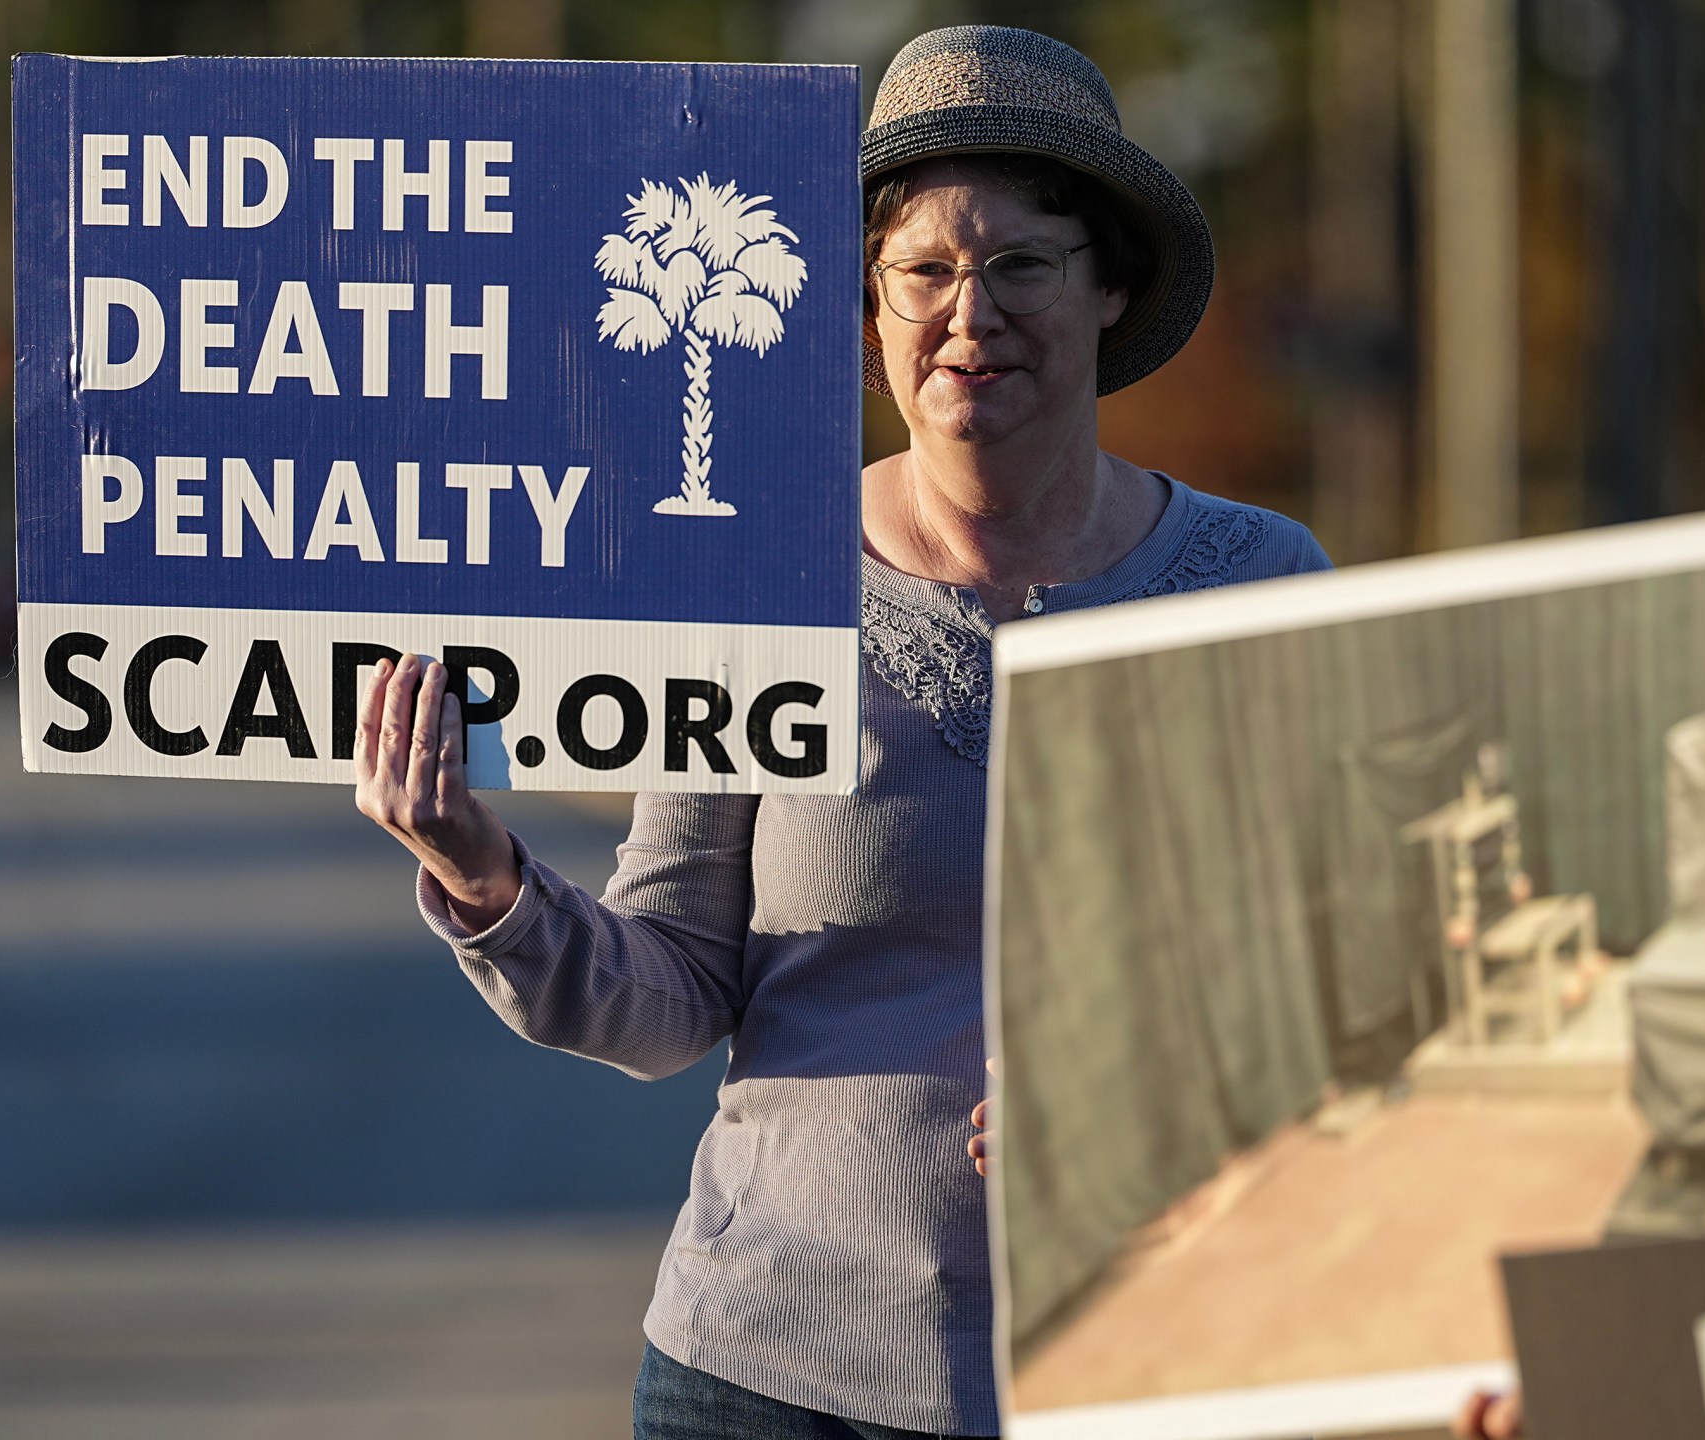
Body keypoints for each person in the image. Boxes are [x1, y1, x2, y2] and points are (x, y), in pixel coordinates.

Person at [356, 25, 1330, 1440]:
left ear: (1110, 285)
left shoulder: (1260, 584)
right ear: (870, 312)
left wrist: (1163, 1087)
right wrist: (485, 878)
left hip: (1158, 1368)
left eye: (1022, 265)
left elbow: (1351, 964)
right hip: (766, 1381)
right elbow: (671, 993)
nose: (971, 315)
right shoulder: (760, 578)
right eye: (925, 270)